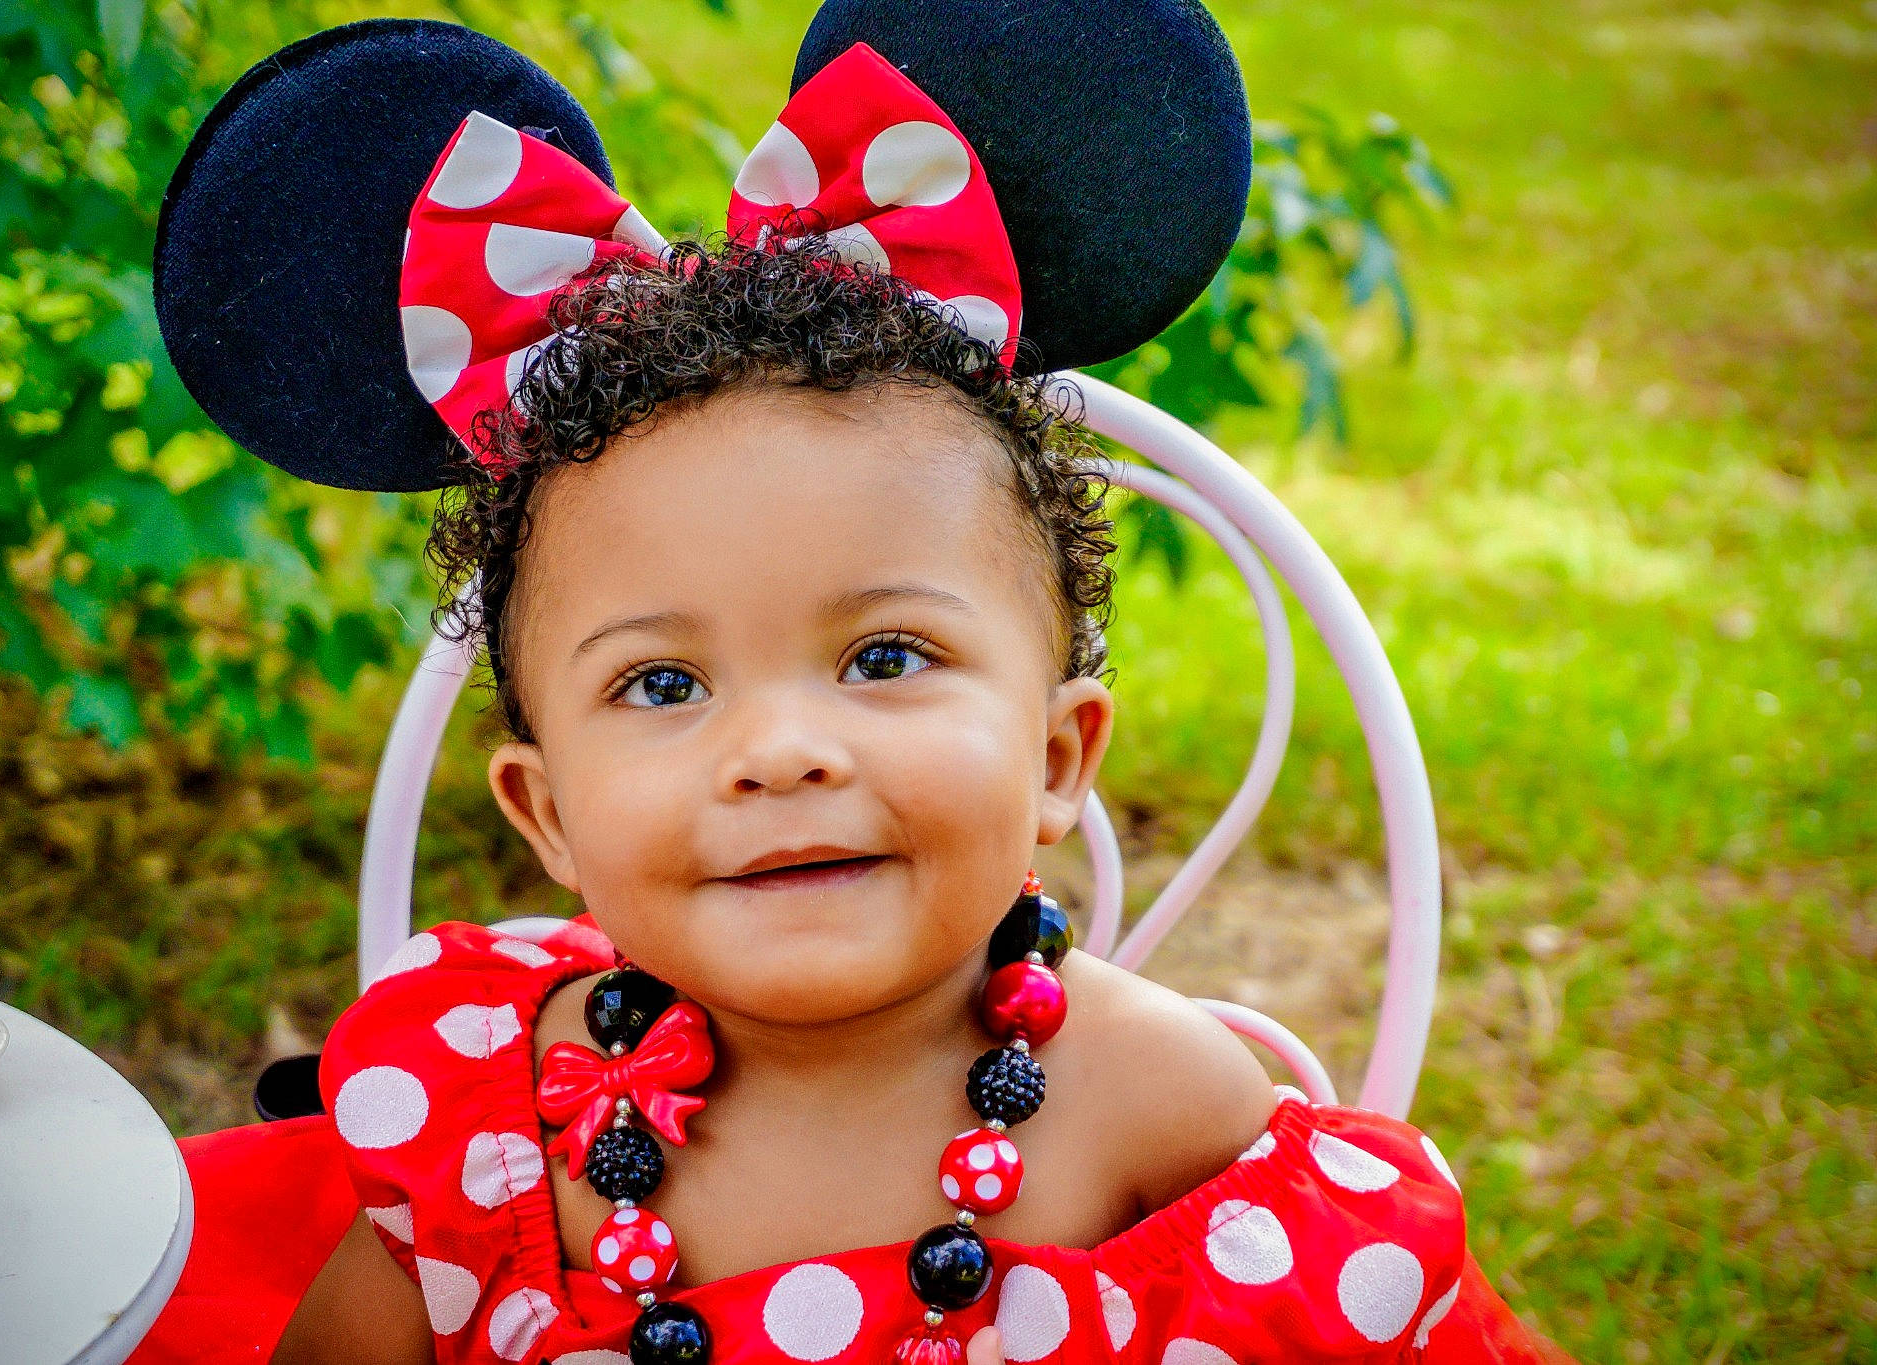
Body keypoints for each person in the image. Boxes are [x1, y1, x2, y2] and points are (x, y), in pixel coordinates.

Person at [142, 5, 1576, 1363]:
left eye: (885, 658)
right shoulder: (489, 1121)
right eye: (658, 684)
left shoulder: (1154, 1105)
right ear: (548, 815)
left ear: (1060, 757)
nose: (777, 749)